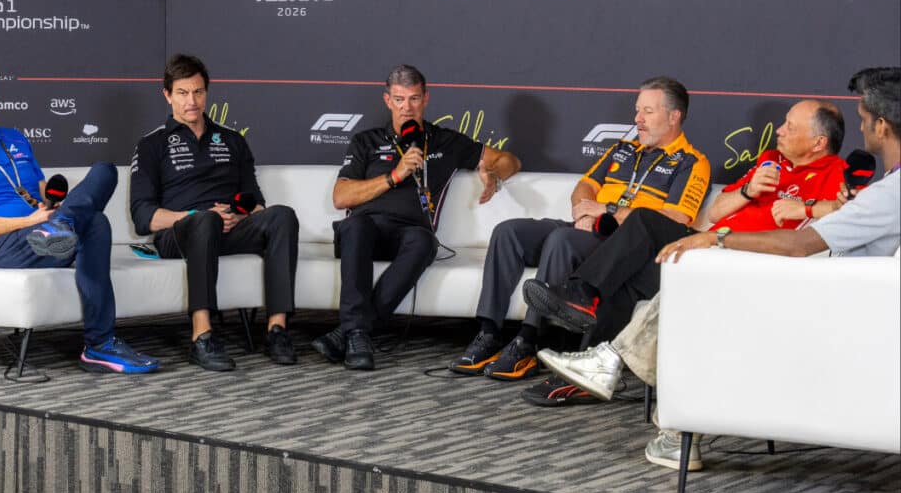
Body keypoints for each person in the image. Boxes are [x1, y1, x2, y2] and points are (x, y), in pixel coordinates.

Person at [539, 67, 901, 472]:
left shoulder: (881, 190)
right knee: (679, 281)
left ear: (882, 126)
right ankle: (630, 384)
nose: (860, 127)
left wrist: (719, 239)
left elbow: (801, 245)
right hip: (793, 276)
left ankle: (615, 366)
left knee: (689, 280)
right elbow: (717, 213)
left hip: (806, 288)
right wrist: (740, 203)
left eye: (864, 119)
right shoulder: (853, 179)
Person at [526, 98, 848, 346]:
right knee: (630, 269)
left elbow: (850, 212)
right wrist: (748, 191)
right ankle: (589, 368)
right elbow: (717, 212)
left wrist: (806, 208)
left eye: (790, 127)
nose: (779, 130)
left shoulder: (837, 173)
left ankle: (581, 292)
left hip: (743, 261)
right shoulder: (770, 160)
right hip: (706, 248)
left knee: (644, 218)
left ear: (818, 143)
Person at [450, 77, 710, 381]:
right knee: (508, 232)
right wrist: (583, 211)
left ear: (674, 116)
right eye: (637, 110)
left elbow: (673, 220)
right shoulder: (622, 149)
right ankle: (489, 332)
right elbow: (585, 186)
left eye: (648, 112)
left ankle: (528, 341)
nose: (637, 119)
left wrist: (607, 211)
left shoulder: (692, 162)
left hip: (619, 245)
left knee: (563, 239)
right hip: (585, 227)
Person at [0, 56, 159, 374]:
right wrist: (28, 222)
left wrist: (54, 208)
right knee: (95, 224)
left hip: (41, 231)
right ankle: (100, 343)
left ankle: (97, 344)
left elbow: (40, 191)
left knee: (104, 173)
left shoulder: (14, 139)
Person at [311, 64, 521, 371]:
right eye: (399, 99)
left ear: (425, 99)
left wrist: (494, 175)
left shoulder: (444, 141)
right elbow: (340, 197)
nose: (406, 107)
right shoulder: (366, 141)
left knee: (425, 242)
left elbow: (509, 159)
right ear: (387, 100)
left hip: (410, 234)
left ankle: (351, 333)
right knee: (355, 227)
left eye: (413, 99)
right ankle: (356, 333)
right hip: (364, 232)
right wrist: (394, 176)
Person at [130, 54, 300, 372]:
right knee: (205, 219)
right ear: (167, 95)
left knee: (283, 216)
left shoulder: (233, 140)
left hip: (229, 228)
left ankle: (277, 330)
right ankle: (202, 336)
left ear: (206, 93)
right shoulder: (152, 144)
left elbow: (256, 203)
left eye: (198, 92)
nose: (191, 101)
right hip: (179, 234)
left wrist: (240, 215)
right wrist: (194, 215)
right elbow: (143, 217)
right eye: (182, 93)